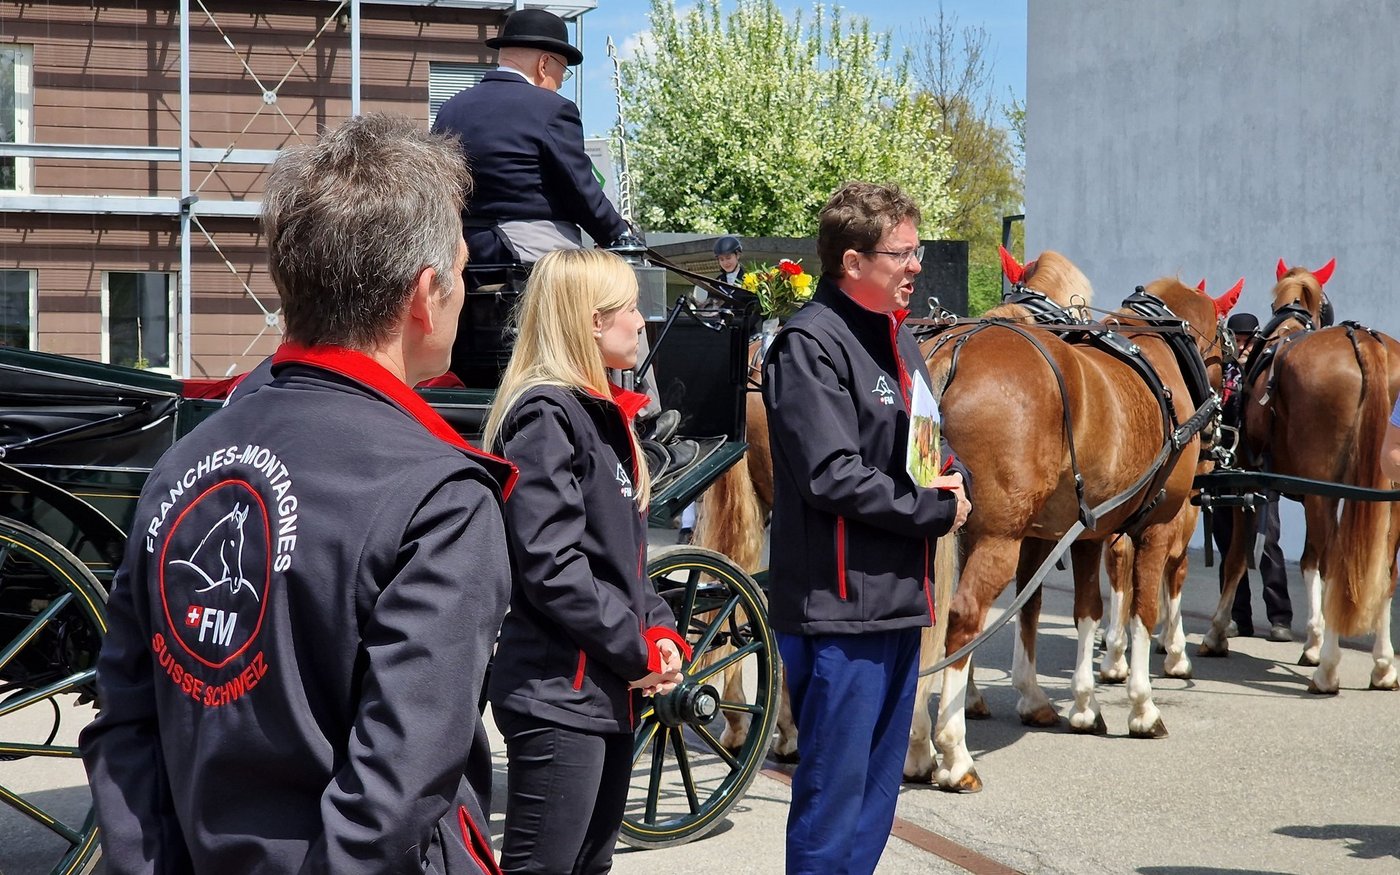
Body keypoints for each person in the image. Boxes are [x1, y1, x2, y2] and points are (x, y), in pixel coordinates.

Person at [80, 114, 515, 874]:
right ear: (424, 294)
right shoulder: (439, 495)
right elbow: (397, 789)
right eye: (463, 271)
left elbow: (125, 723)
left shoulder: (183, 463)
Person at [761, 181, 972, 874]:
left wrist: (957, 479)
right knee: (832, 804)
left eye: (917, 250)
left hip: (898, 604)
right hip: (838, 613)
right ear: (853, 262)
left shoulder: (900, 339)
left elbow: (928, 449)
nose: (916, 265)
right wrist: (935, 510)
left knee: (877, 801)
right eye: (901, 253)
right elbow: (831, 474)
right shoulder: (808, 344)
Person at [482, 248, 689, 874]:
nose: (641, 320)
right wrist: (636, 650)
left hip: (601, 689)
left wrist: (659, 632)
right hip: (559, 692)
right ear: (592, 321)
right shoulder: (547, 414)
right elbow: (552, 566)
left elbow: (622, 561)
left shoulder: (592, 414)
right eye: (630, 307)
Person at [432, 8, 632, 269]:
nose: (561, 82)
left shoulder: (450, 108)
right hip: (527, 250)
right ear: (544, 64)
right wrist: (619, 235)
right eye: (563, 71)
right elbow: (579, 189)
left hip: (458, 253)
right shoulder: (552, 108)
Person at [1211, 310, 1292, 641]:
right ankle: (1237, 616)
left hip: (1258, 466)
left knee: (1266, 540)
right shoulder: (1220, 374)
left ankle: (1280, 617)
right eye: (1237, 340)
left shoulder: (1266, 374)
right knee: (1226, 539)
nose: (1242, 346)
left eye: (1247, 340)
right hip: (1224, 466)